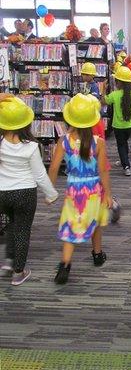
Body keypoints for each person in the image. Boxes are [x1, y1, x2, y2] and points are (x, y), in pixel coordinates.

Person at [48, 94, 112, 285]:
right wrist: (107, 193)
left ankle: (65, 264)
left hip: (73, 190)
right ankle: (98, 254)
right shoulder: (98, 142)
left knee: (70, 224)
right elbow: (103, 170)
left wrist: (50, 190)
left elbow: (53, 167)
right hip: (94, 190)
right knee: (96, 222)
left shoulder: (64, 141)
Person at [0, 96, 58, 286]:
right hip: (25, 193)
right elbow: (40, 175)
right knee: (23, 230)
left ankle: (8, 262)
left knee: (10, 225)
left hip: (3, 192)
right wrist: (51, 194)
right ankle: (19, 272)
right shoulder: (31, 147)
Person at [104, 66, 131, 176]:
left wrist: (103, 89)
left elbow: (103, 101)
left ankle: (126, 165)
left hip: (118, 125)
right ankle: (124, 160)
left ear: (118, 82)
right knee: (124, 143)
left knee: (121, 145)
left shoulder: (114, 94)